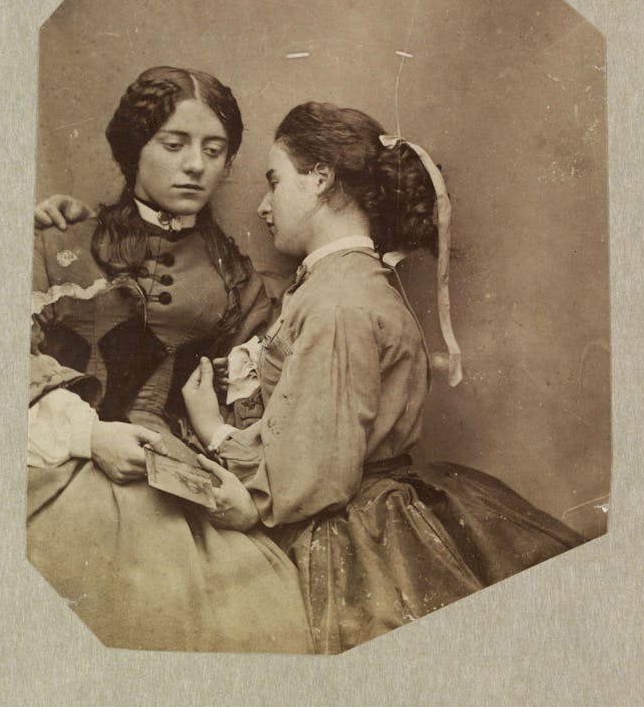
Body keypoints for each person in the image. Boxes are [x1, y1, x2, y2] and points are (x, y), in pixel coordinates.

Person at [177, 102, 586, 654]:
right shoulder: (348, 282)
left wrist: (216, 434)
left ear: (320, 178)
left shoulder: (338, 302)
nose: (263, 205)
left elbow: (314, 471)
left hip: (353, 528)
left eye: (274, 181)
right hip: (378, 502)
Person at [28, 67, 311, 653]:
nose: (195, 166)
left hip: (175, 479)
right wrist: (89, 436)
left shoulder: (237, 282)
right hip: (57, 461)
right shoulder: (59, 242)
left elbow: (259, 404)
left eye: (215, 150)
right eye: (174, 144)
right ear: (135, 149)